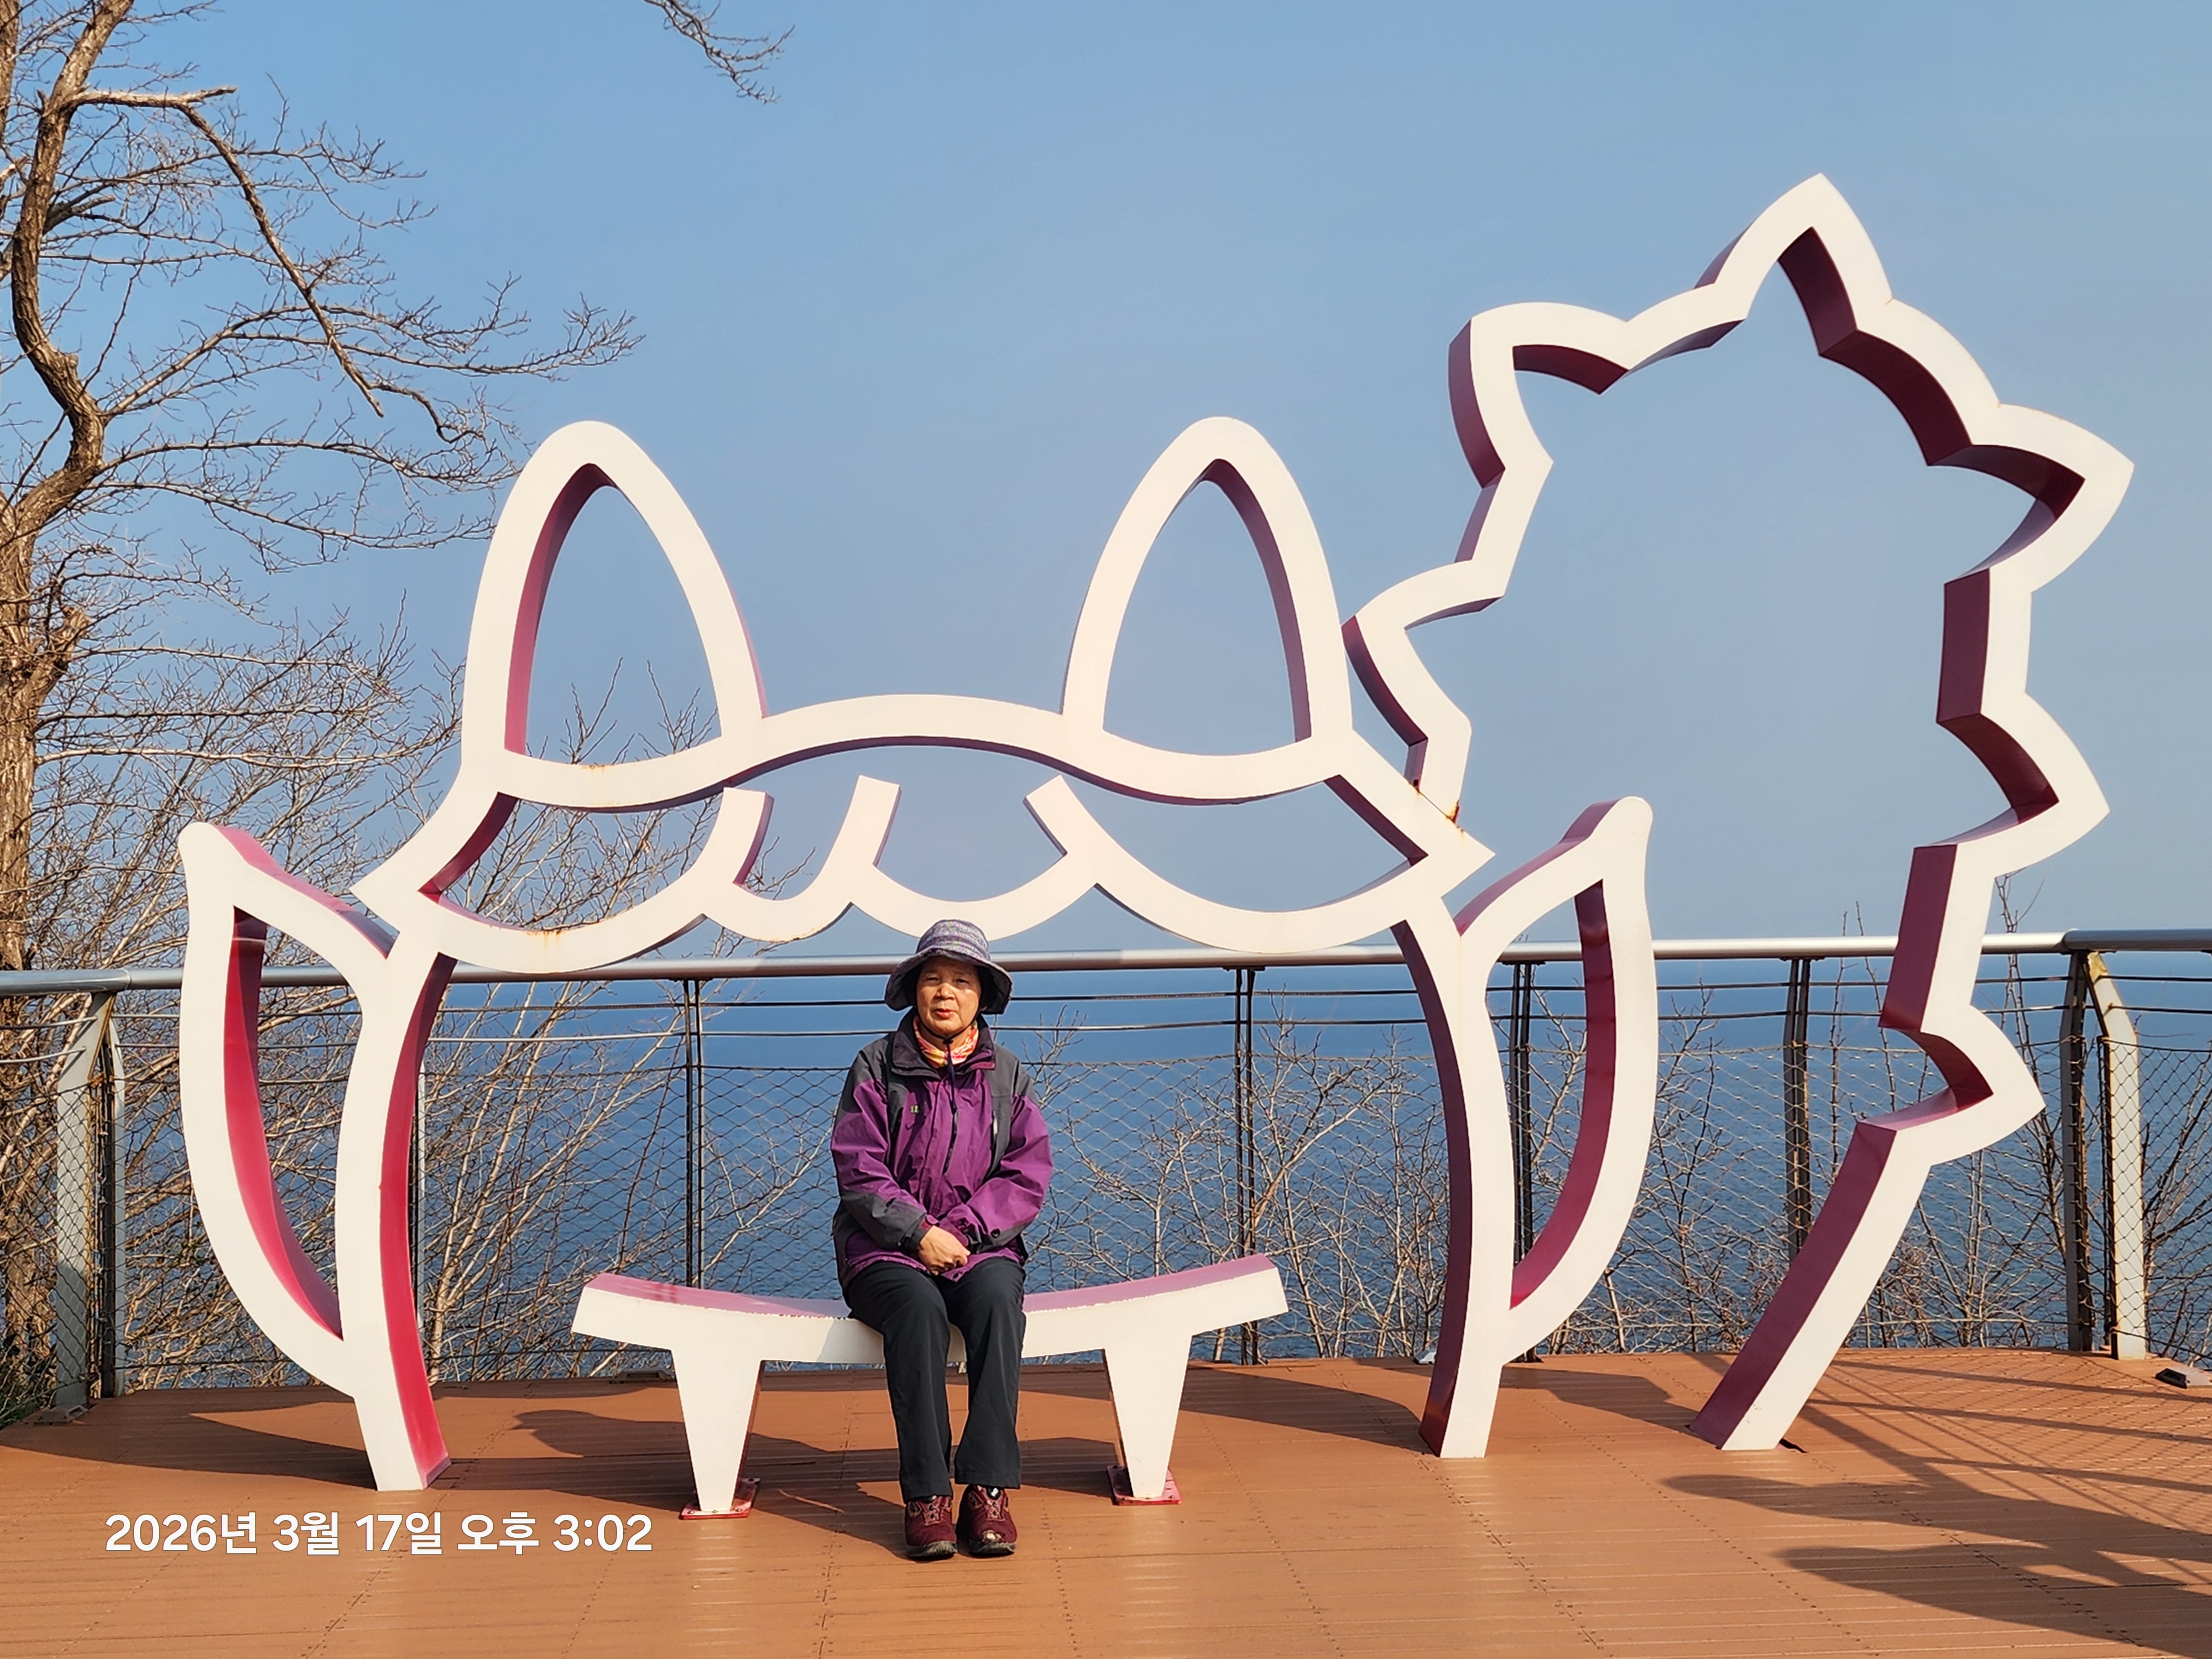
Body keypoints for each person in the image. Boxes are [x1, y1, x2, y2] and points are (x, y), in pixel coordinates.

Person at [831, 919, 1052, 1561]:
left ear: (982, 995)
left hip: (980, 1248)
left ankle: (987, 1490)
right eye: (933, 979)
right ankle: (926, 1496)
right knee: (919, 1309)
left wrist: (961, 1232)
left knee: (997, 1302)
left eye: (961, 981)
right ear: (914, 990)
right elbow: (859, 1167)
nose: (946, 993)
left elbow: (1025, 1172)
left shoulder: (1007, 1075)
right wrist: (917, 1232)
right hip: (881, 1249)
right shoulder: (876, 1065)